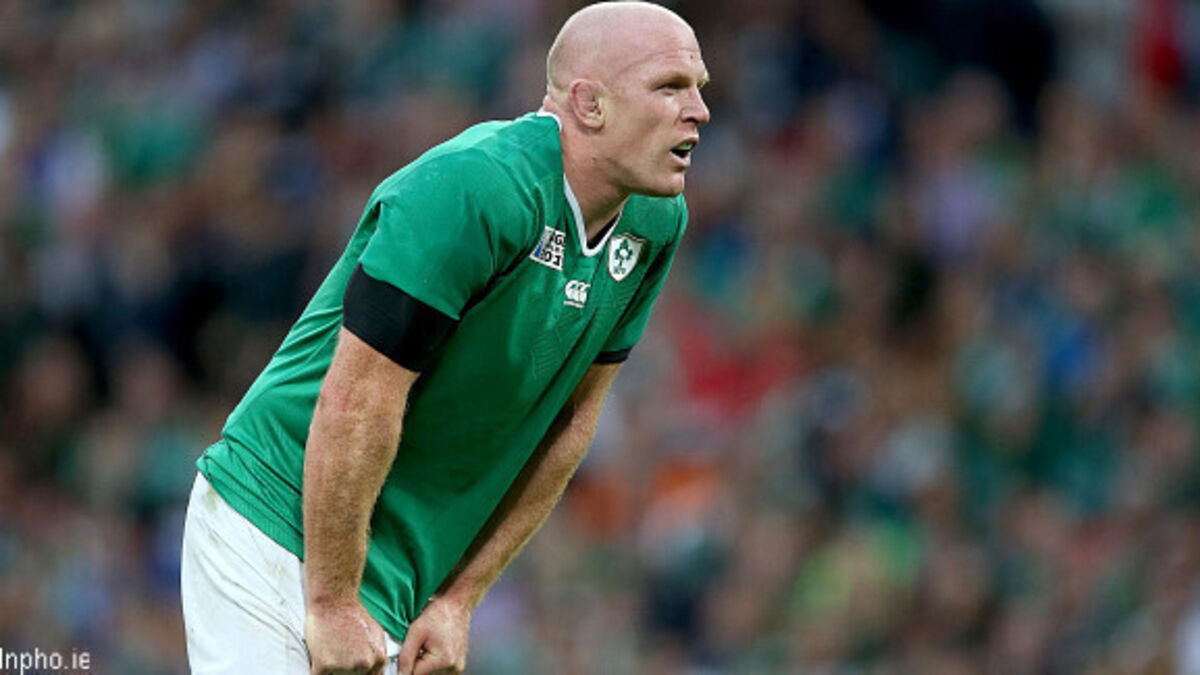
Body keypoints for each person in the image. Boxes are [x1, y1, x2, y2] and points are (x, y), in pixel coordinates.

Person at [179, 2, 710, 673]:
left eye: (698, 88)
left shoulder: (655, 220)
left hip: (396, 578)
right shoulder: (471, 187)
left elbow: (571, 418)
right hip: (278, 523)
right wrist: (334, 601)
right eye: (670, 87)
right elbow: (359, 396)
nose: (699, 111)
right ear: (589, 104)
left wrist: (460, 598)